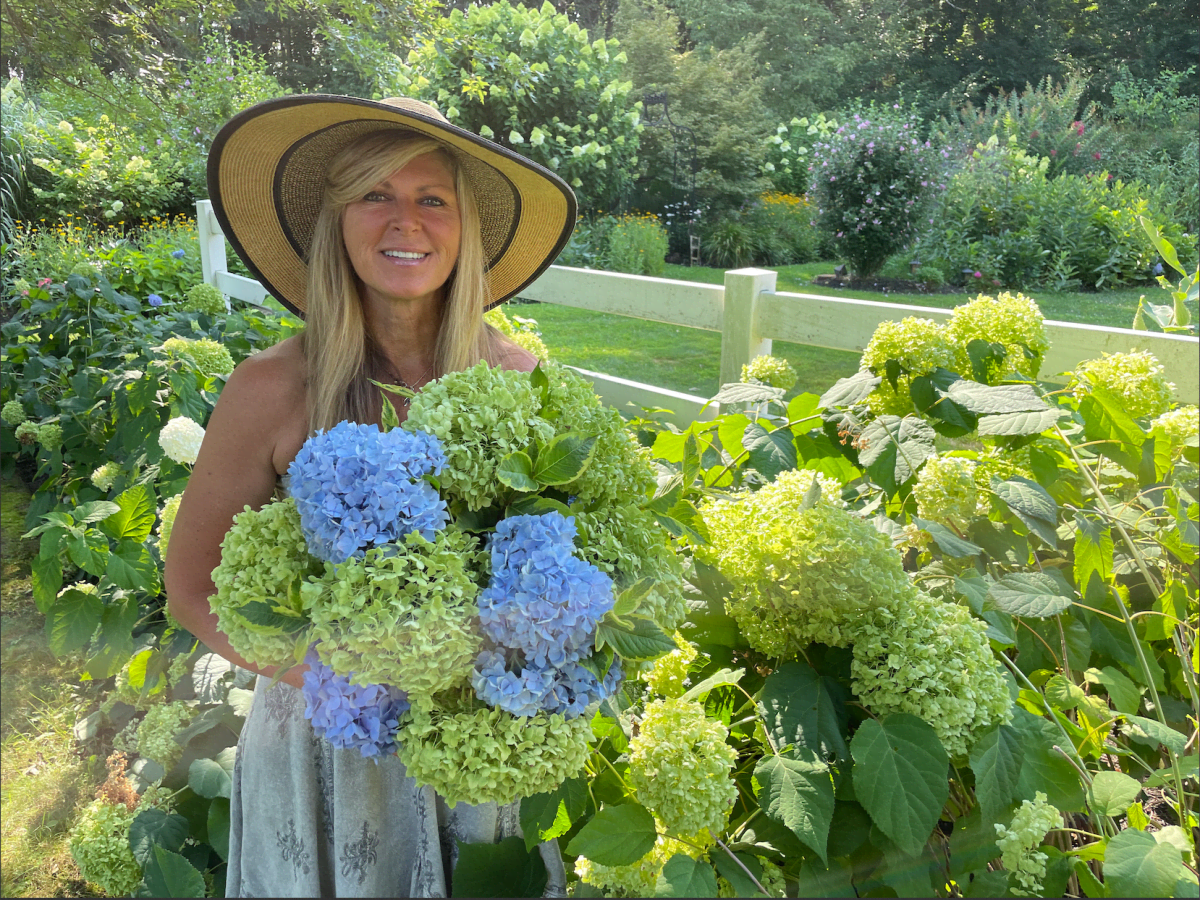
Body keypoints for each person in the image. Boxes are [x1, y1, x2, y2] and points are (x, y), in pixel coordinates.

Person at [165, 95, 576, 897]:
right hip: (327, 744)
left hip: (475, 740)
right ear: (337, 221)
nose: (405, 222)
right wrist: (339, 678)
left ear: (465, 229)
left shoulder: (520, 382)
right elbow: (191, 589)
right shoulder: (272, 388)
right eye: (374, 195)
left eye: (432, 199)